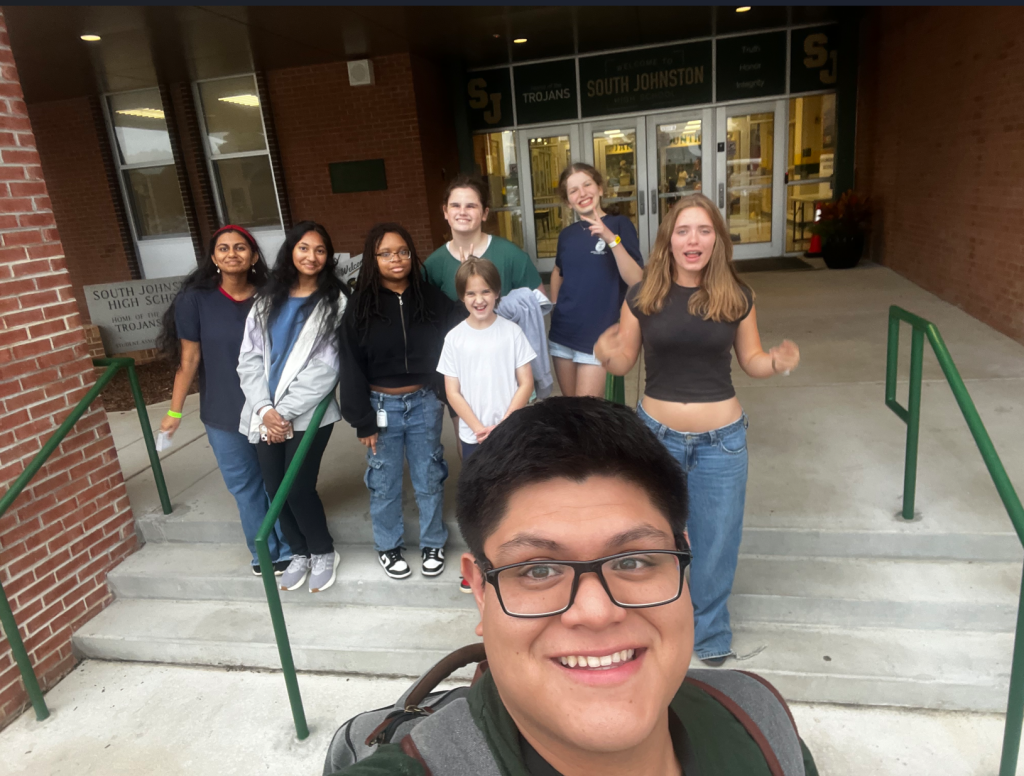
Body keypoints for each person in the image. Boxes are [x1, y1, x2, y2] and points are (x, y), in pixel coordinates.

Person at [327, 397, 818, 775]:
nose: (596, 611)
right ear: (479, 590)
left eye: (634, 560)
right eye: (538, 570)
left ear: (684, 561)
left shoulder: (760, 724)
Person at [594, 193, 801, 665]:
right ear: (669, 240)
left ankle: (708, 635)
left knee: (716, 541)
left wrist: (777, 362)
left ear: (717, 241)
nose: (694, 239)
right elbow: (625, 361)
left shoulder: (737, 297)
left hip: (721, 442)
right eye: (684, 230)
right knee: (652, 538)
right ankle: (655, 622)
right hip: (656, 438)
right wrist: (606, 351)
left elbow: (751, 361)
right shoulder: (643, 296)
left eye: (704, 230)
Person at [157, 224, 291, 577]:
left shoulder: (273, 295)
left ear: (254, 256)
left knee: (275, 482)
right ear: (214, 258)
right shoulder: (194, 301)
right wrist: (174, 411)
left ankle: (291, 547)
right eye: (223, 248)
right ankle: (264, 553)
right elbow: (189, 360)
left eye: (240, 248)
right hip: (222, 412)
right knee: (246, 487)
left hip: (270, 410)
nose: (232, 253)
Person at [339, 223, 457, 581]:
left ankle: (433, 541)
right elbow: (350, 361)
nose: (396, 259)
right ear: (373, 259)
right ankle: (388, 546)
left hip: (424, 403)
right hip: (380, 407)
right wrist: (362, 418)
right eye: (386, 253)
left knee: (429, 476)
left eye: (403, 251)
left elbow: (462, 333)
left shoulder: (431, 298)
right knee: (384, 481)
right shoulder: (360, 305)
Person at [237, 221, 347, 594]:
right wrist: (265, 409)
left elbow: (327, 368)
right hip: (264, 413)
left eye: (319, 250)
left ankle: (322, 551)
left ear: (328, 256)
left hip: (309, 414)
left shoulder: (336, 302)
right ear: (291, 251)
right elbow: (249, 358)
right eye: (304, 248)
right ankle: (298, 552)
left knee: (297, 487)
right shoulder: (268, 299)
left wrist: (281, 413)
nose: (311, 256)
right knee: (273, 487)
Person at [424, 174, 545, 456]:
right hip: (463, 373)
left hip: (505, 372)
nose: (463, 212)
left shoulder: (509, 254)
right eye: (455, 205)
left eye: (471, 205)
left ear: (485, 212)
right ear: (445, 211)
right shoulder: (434, 264)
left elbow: (537, 299)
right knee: (471, 446)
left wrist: (505, 312)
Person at [549, 163, 643, 398]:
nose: (582, 194)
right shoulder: (567, 235)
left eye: (587, 185)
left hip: (598, 336)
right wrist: (554, 306)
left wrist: (611, 239)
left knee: (588, 415)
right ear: (568, 201)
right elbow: (557, 271)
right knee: (571, 412)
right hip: (563, 333)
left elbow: (637, 279)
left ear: (600, 188)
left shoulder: (620, 225)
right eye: (573, 190)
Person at [438, 258, 535, 461]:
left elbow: (526, 383)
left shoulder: (512, 332)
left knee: (511, 487)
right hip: (473, 435)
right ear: (462, 296)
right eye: (471, 293)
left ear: (497, 292)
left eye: (485, 291)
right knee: (479, 490)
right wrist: (478, 429)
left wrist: (504, 425)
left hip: (509, 432)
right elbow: (452, 392)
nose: (479, 300)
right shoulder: (454, 338)